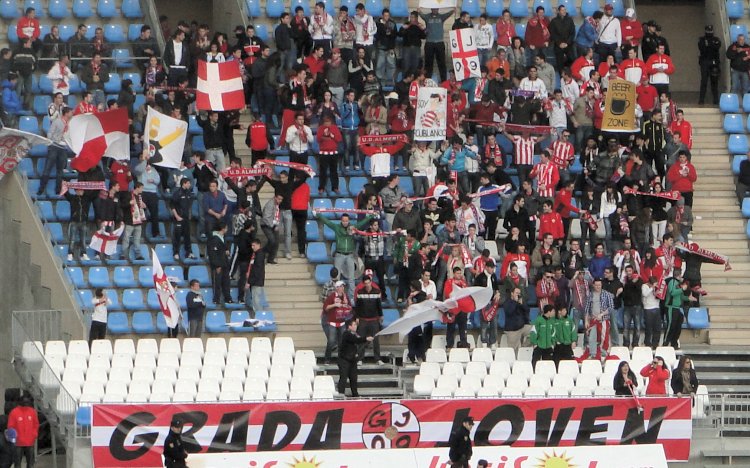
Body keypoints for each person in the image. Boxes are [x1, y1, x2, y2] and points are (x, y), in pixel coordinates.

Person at [317, 212, 374, 298]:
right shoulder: (336, 227)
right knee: (337, 278)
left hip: (350, 255)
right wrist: (318, 215)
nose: (345, 222)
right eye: (343, 221)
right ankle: (336, 297)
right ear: (341, 221)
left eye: (346, 221)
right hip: (339, 255)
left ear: (349, 221)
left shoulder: (353, 227)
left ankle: (352, 298)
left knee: (351, 278)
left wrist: (370, 216)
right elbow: (327, 222)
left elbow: (362, 223)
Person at [337, 317, 374, 397]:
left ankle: (355, 394)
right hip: (344, 359)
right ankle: (341, 393)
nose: (356, 326)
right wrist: (366, 338)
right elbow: (356, 340)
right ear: (349, 326)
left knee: (353, 378)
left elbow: (358, 341)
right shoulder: (346, 334)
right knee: (343, 377)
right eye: (354, 325)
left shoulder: (356, 335)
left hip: (352, 360)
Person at [7, 396, 37, 468]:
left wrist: (34, 435)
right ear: (20, 402)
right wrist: (14, 440)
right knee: (17, 465)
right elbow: (10, 427)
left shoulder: (32, 412)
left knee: (30, 464)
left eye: (27, 402)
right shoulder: (14, 412)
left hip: (30, 442)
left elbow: (36, 424)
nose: (26, 403)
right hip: (18, 444)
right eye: (25, 402)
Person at [207, 222, 232, 304]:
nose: (227, 229)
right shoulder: (214, 239)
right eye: (226, 228)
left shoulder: (223, 238)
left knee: (226, 282)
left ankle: (228, 298)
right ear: (223, 228)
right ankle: (216, 299)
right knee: (217, 283)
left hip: (224, 263)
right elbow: (212, 254)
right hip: (218, 265)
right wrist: (217, 265)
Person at [503, 286, 531, 351]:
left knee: (534, 331)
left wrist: (522, 304)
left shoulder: (520, 302)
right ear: (512, 293)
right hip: (512, 330)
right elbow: (509, 312)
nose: (518, 295)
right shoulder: (507, 302)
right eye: (516, 293)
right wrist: (515, 302)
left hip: (522, 327)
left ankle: (524, 347)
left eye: (519, 293)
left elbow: (527, 310)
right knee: (512, 350)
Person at [698, 25, 721, 105]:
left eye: (710, 31)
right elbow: (703, 49)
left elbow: (717, 47)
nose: (709, 32)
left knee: (714, 82)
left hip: (714, 62)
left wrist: (709, 45)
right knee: (704, 81)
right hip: (704, 62)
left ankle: (716, 100)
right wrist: (711, 45)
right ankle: (701, 100)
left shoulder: (716, 39)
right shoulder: (702, 39)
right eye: (708, 30)